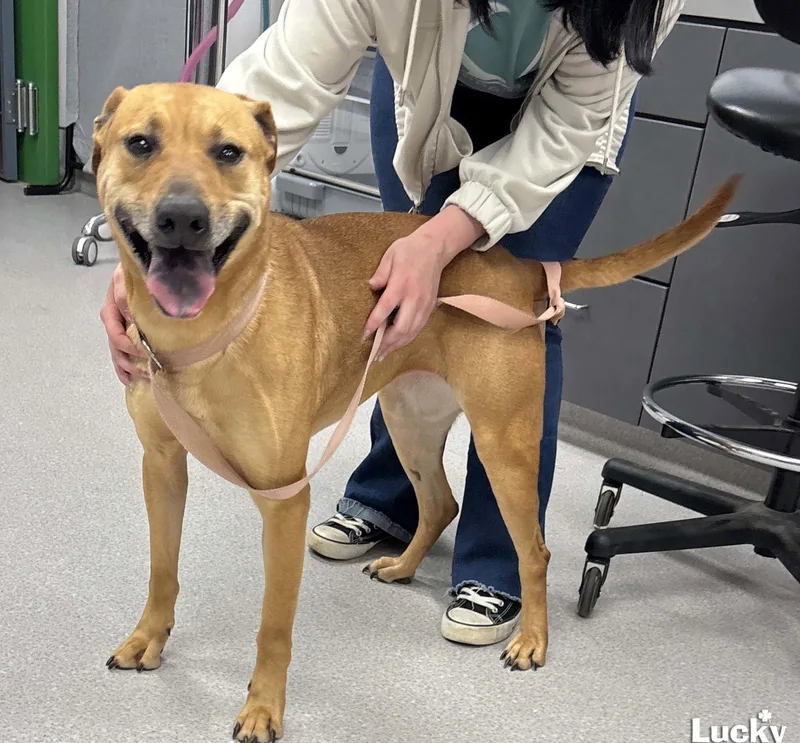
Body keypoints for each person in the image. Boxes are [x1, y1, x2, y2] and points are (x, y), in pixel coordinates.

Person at [101, 0, 685, 646]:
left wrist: (440, 243)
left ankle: (500, 566)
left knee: (500, 309)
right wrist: (148, 251)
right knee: (399, 311)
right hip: (425, 80)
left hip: (562, 121)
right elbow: (264, 96)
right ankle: (396, 505)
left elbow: (571, 122)